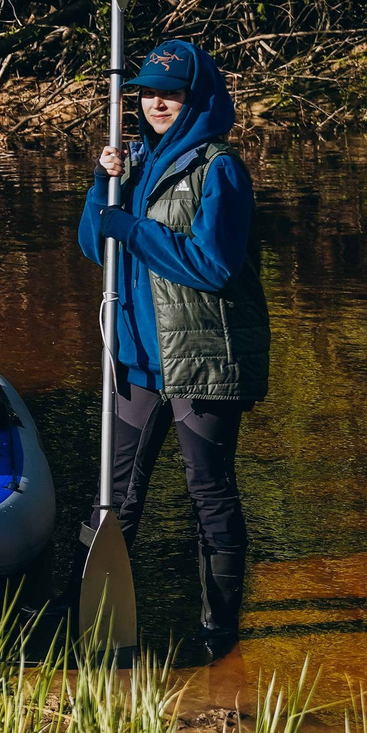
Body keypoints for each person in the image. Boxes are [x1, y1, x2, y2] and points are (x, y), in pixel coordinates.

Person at [79, 37, 269, 661]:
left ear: (197, 98)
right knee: (113, 496)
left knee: (208, 491)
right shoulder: (134, 163)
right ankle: (90, 624)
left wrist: (132, 228)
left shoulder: (220, 169)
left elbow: (213, 266)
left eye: (172, 94)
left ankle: (221, 639)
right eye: (148, 94)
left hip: (202, 362)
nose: (157, 104)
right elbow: (94, 245)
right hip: (137, 361)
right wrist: (103, 187)